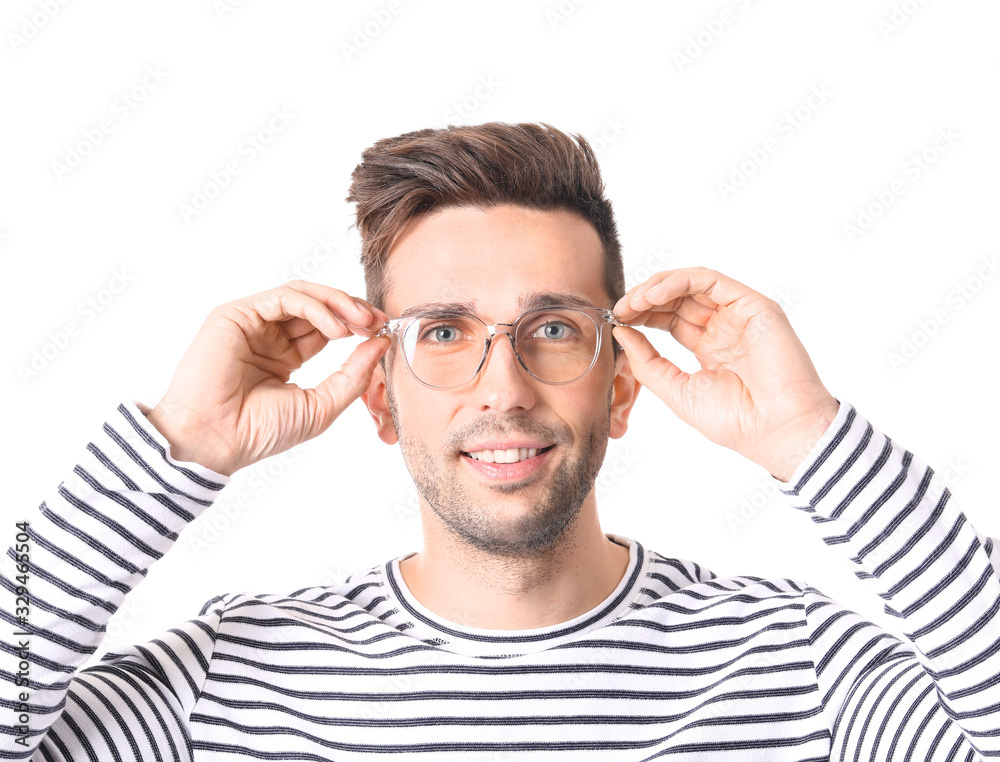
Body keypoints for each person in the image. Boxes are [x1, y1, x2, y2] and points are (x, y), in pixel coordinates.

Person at [4, 122, 998, 760]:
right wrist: (179, 443)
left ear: (620, 387)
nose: (504, 387)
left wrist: (808, 439)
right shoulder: (221, 686)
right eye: (443, 332)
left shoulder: (798, 669)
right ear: (380, 398)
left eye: (554, 330)